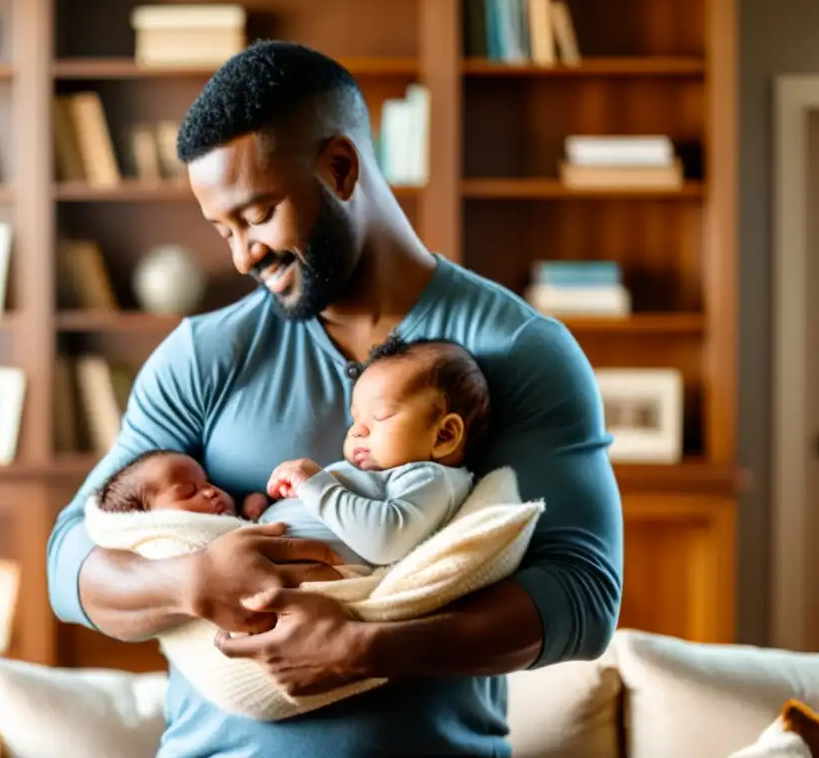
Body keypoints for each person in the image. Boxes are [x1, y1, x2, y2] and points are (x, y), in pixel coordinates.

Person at [47, 40, 623, 757]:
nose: (241, 255)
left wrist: (372, 647)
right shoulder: (204, 355)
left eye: (257, 214)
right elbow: (72, 561)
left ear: (340, 168)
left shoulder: (516, 350)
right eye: (223, 230)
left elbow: (585, 595)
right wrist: (190, 580)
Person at [93, 335, 488, 567]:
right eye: (355, 420)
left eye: (379, 417)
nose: (358, 432)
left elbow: (385, 539)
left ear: (444, 436)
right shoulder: (391, 475)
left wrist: (315, 485)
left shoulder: (431, 479)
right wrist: (259, 512)